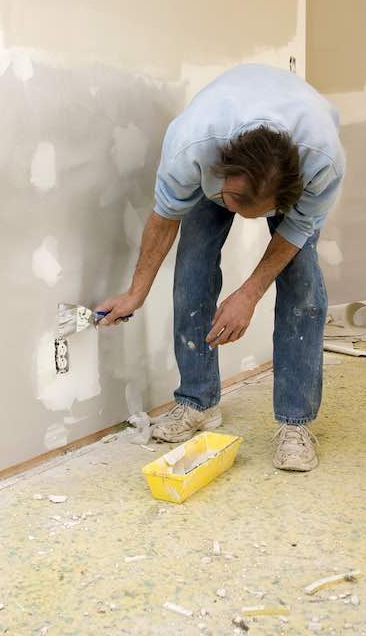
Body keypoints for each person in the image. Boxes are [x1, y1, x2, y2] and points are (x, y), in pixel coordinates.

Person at [96, 64, 345, 471]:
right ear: (222, 176)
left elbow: (298, 228)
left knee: (302, 287)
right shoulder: (191, 146)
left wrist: (249, 293)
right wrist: (134, 293)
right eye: (231, 202)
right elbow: (164, 220)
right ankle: (197, 402)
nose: (240, 218)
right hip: (216, 150)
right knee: (192, 270)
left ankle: (295, 423)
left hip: (294, 167)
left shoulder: (322, 161)